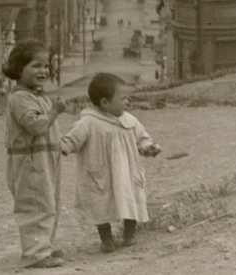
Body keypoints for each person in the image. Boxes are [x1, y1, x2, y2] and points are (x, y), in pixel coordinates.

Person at [60, 73, 161, 253]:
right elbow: (72, 140)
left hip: (127, 171)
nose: (127, 102)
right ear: (105, 102)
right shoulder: (88, 122)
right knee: (100, 202)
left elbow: (142, 138)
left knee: (130, 198)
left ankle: (129, 234)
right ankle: (106, 238)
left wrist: (148, 147)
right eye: (122, 99)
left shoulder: (129, 121)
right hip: (101, 172)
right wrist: (63, 146)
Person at [3, 39, 66, 269]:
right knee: (35, 205)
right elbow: (37, 126)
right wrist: (55, 112)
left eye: (46, 66)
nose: (43, 71)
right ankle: (35, 253)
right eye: (36, 66)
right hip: (30, 162)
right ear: (19, 68)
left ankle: (44, 245)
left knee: (49, 203)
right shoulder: (19, 98)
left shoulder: (38, 96)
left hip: (45, 159)